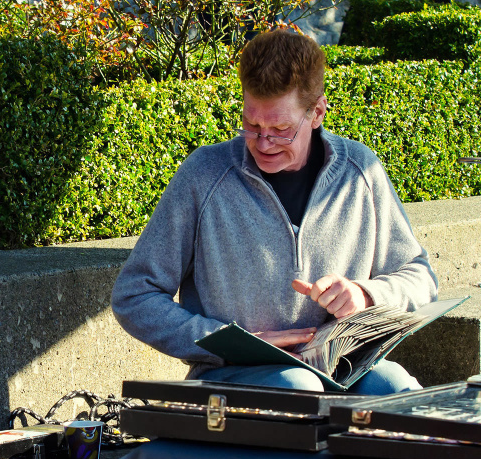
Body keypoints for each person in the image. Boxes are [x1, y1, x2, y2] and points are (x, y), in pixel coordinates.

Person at [110, 30, 438, 395]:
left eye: (280, 130)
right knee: (298, 388)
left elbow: (420, 277)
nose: (263, 143)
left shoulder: (361, 170)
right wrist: (226, 341)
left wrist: (366, 295)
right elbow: (134, 295)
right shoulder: (204, 175)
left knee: (398, 390)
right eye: (251, 125)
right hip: (233, 374)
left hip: (345, 370)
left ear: (317, 112)